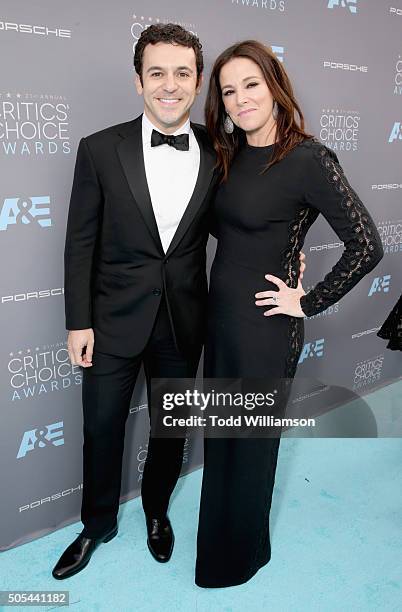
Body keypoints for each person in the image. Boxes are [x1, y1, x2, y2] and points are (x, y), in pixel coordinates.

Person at [52, 23, 305, 581]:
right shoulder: (98, 148)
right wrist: (78, 322)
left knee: (170, 430)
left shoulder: (224, 151)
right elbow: (80, 241)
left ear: (197, 83)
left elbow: (251, 221)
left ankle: (156, 512)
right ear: (139, 82)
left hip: (186, 321)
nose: (170, 85)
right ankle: (96, 525)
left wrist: (292, 259)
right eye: (157, 73)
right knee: (101, 428)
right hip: (111, 321)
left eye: (183, 73)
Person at [194, 40, 384, 588]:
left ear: (275, 86)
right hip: (222, 318)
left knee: (250, 445)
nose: (240, 98)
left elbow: (366, 244)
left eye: (251, 84)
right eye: (229, 90)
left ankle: (238, 560)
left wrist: (307, 298)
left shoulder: (308, 158)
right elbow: (233, 227)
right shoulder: (227, 154)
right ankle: (230, 546)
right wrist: (285, 244)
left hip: (266, 327)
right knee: (225, 438)